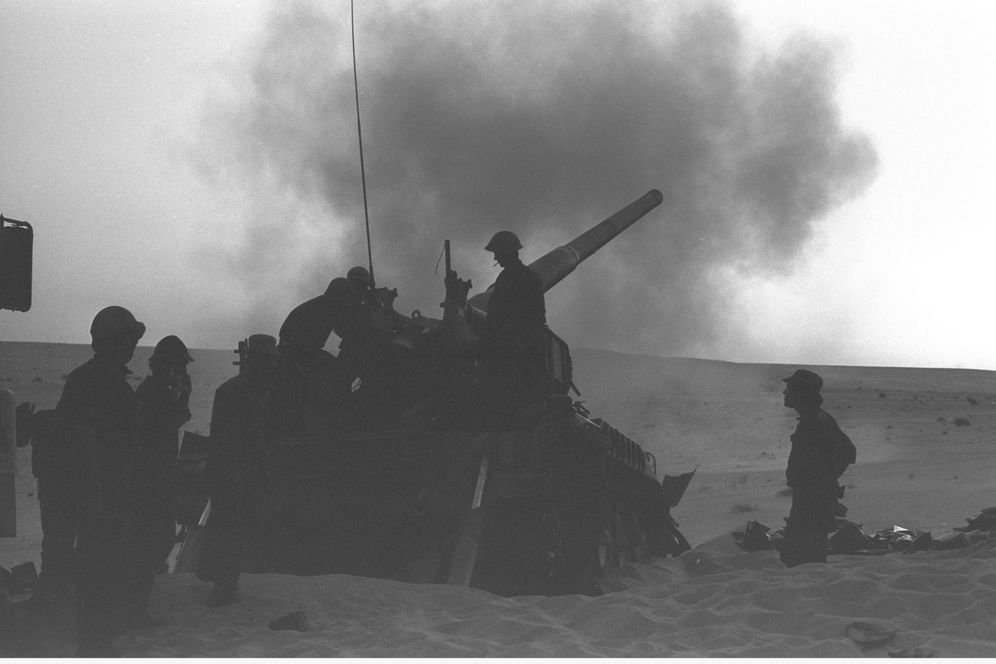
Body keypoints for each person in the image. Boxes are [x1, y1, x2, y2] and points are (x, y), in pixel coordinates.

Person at [57, 305, 145, 656]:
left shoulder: (90, 379)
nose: (134, 347)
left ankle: (98, 641)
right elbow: (84, 447)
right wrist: (97, 500)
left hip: (102, 495)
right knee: (99, 571)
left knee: (103, 570)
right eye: (130, 340)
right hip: (102, 497)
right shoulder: (101, 382)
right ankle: (95, 646)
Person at [200, 334, 280, 608]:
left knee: (235, 528)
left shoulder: (261, 391)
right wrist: (231, 474)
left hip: (249, 471)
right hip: (231, 472)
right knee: (227, 529)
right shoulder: (233, 392)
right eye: (265, 359)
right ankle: (222, 586)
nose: (269, 365)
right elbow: (225, 439)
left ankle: (225, 580)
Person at [128, 335, 193, 623]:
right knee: (151, 541)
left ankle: (137, 604)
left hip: (156, 476)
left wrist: (180, 396)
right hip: (149, 478)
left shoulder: (157, 389)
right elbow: (160, 427)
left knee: (157, 539)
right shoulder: (152, 391)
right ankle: (134, 608)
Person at [779, 368, 856, 568]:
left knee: (802, 557)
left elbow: (847, 452)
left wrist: (822, 482)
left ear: (802, 393)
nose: (785, 392)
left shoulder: (816, 422)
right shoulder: (813, 420)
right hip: (810, 497)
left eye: (790, 388)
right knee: (803, 554)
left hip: (812, 500)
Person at [479, 231, 548, 419]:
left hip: (517, 352)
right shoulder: (522, 278)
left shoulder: (513, 279)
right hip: (517, 349)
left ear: (507, 253)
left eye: (497, 253)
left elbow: (502, 316)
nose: (495, 257)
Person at [17, 405, 78, 609]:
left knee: (55, 540)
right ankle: (60, 586)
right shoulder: (51, 422)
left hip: (56, 491)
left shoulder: (45, 424)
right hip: (65, 491)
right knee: (61, 540)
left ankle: (53, 588)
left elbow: (21, 443)